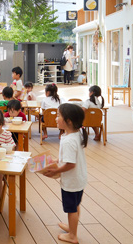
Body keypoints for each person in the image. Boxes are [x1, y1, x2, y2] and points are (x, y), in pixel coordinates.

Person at [41, 103, 88, 244]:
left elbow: (70, 164)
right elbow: (70, 158)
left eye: (58, 116)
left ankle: (72, 236)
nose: (56, 118)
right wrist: (57, 160)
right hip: (79, 178)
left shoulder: (68, 141)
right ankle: (71, 227)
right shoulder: (76, 134)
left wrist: (55, 170)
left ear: (69, 121)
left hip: (71, 182)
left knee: (71, 209)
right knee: (75, 205)